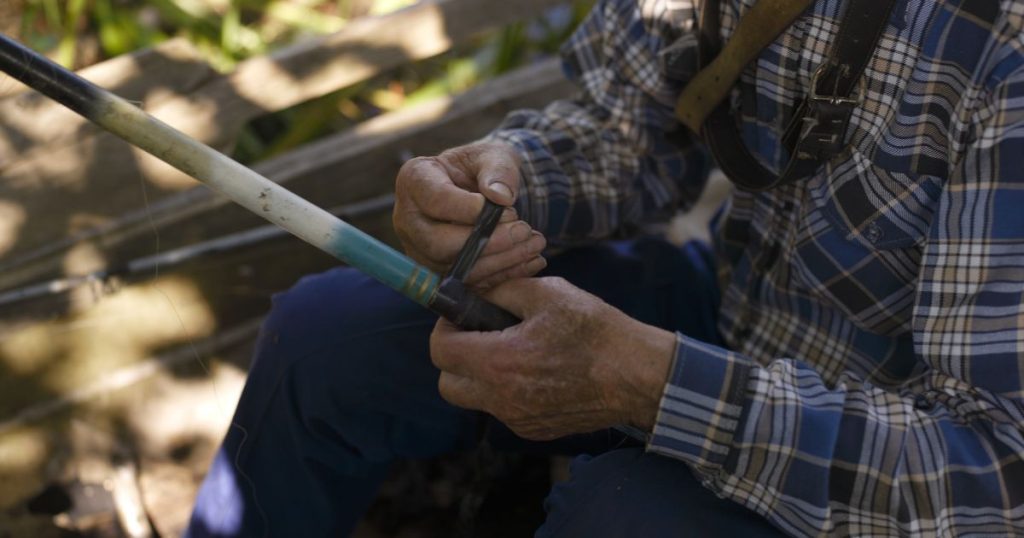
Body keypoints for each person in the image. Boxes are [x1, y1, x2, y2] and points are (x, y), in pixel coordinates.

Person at [187, 0, 1024, 536]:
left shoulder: (1005, 45)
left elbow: (995, 474)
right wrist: (504, 186)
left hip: (899, 464)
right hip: (743, 313)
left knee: (616, 516)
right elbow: (629, 129)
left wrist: (651, 385)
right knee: (320, 345)